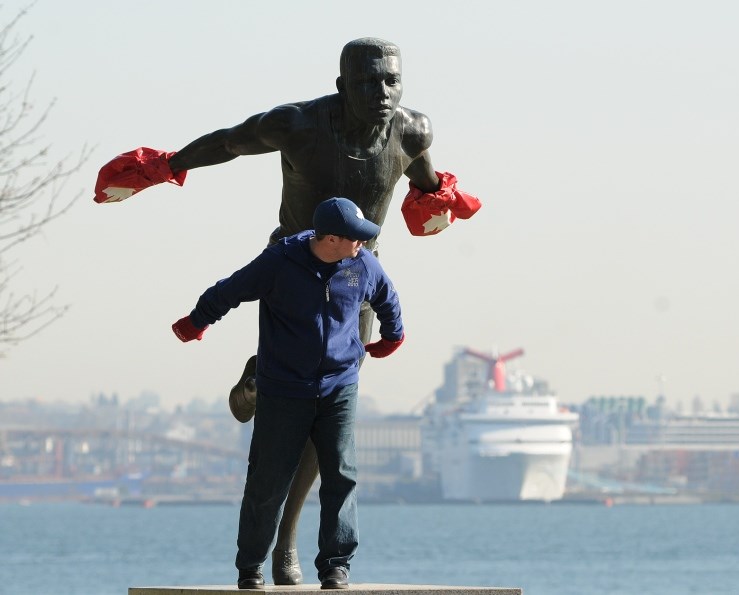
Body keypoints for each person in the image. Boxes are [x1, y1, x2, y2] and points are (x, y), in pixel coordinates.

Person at [93, 37, 480, 584]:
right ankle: (263, 382)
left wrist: (441, 198)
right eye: (368, 81)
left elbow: (421, 176)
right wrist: (164, 167)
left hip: (355, 274)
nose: (382, 92)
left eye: (392, 80)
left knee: (332, 411)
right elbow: (231, 142)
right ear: (343, 86)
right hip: (292, 266)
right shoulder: (298, 125)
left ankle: (289, 545)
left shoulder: (412, 130)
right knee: (295, 393)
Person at [172, 198, 404, 590]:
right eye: (356, 238)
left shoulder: (362, 264)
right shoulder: (279, 262)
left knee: (341, 475)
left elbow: (388, 299)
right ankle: (250, 567)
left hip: (339, 386)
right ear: (330, 238)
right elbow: (229, 290)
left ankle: (335, 565)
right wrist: (195, 322)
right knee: (268, 481)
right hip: (283, 390)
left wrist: (391, 337)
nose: (362, 244)